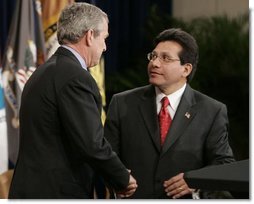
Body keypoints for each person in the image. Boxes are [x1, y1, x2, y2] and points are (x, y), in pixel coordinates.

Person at [8, 2, 137, 199]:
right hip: (55, 193)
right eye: (104, 38)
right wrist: (122, 178)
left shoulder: (45, 71)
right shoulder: (75, 77)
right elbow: (91, 143)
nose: (105, 47)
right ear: (89, 35)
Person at [104, 28, 235, 199]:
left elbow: (223, 164)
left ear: (186, 69)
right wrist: (117, 178)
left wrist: (196, 182)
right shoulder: (122, 103)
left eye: (165, 58)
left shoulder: (211, 111)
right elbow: (106, 156)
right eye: (153, 56)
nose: (155, 63)